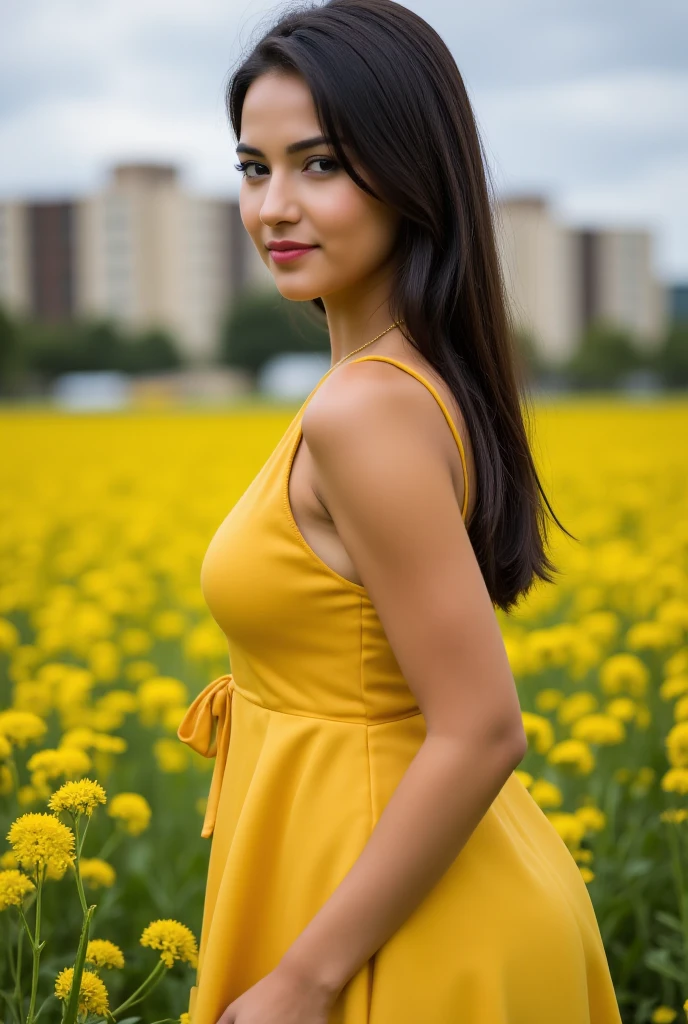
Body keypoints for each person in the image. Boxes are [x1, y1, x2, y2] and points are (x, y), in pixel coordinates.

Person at [177, 1, 623, 1021]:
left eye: (319, 164)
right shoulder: (405, 383)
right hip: (391, 888)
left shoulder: (367, 410)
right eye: (254, 167)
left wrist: (304, 977)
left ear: (409, 173)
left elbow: (479, 727)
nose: (273, 207)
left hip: (393, 937)